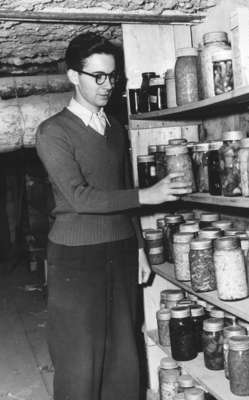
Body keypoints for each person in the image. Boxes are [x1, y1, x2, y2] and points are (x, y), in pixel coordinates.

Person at [36, 32, 192, 400]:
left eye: (113, 77)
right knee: (79, 361)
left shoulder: (115, 129)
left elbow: (123, 196)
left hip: (120, 249)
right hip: (76, 257)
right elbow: (78, 197)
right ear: (74, 76)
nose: (108, 86)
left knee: (124, 357)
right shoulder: (52, 132)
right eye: (99, 77)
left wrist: (138, 246)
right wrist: (149, 194)